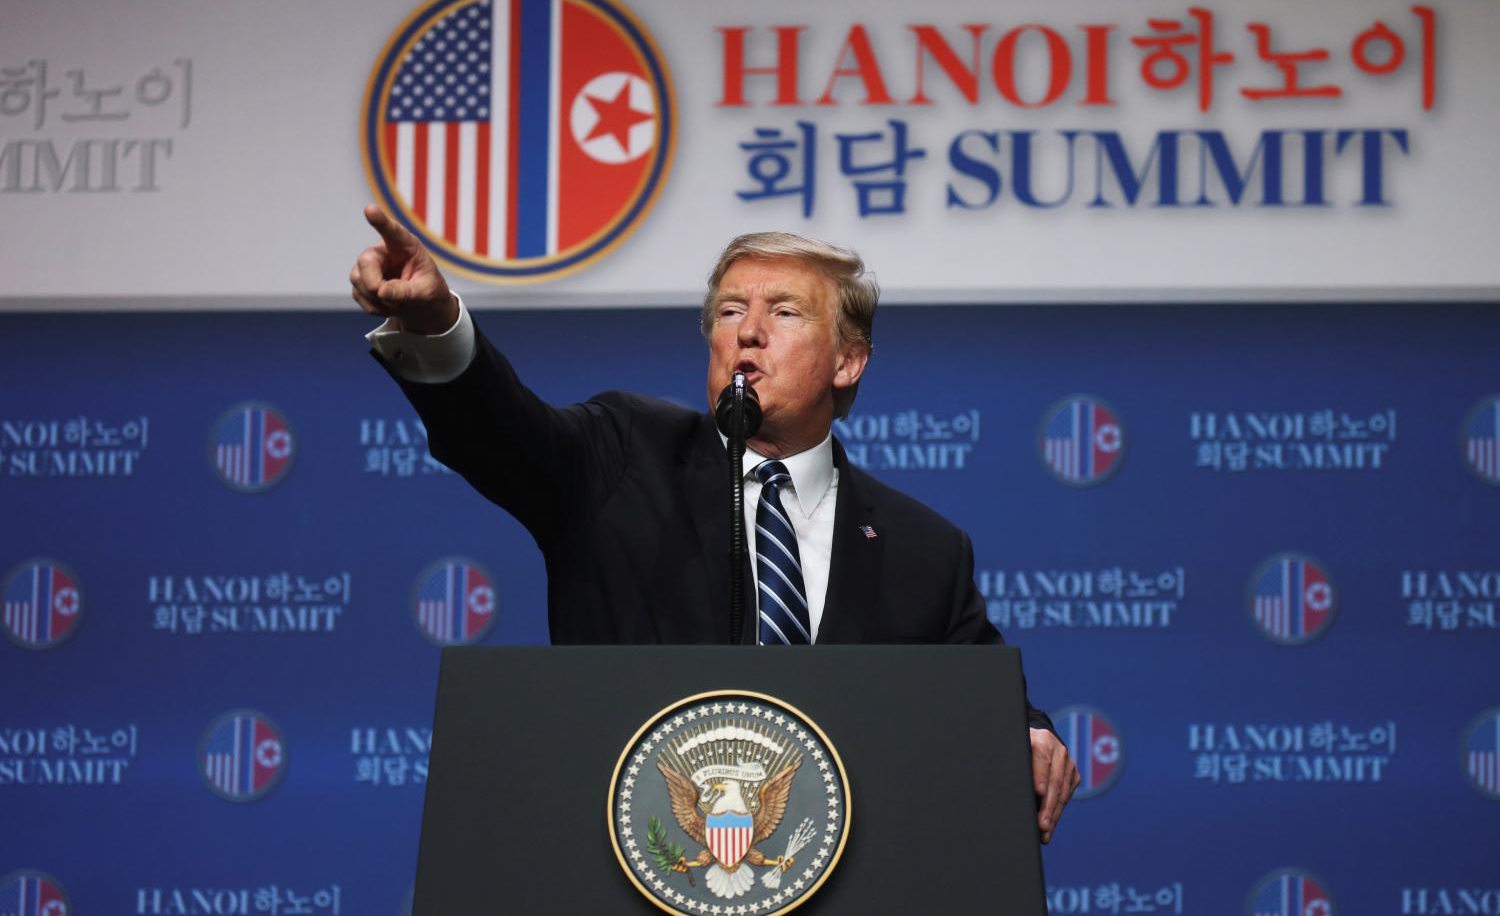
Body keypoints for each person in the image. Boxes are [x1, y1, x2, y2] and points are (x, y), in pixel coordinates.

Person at [348, 205, 1080, 842]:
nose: (749, 333)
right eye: (731, 312)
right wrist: (437, 323)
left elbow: (983, 698)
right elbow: (505, 434)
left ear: (848, 362)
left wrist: (1028, 734)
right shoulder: (624, 455)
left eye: (785, 313)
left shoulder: (926, 548)